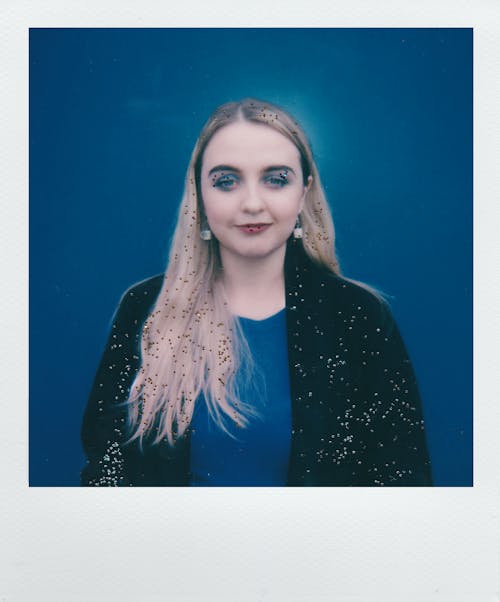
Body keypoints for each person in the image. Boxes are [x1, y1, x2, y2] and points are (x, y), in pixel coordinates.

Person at [80, 98, 433, 487]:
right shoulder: (146, 308)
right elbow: (106, 471)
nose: (252, 203)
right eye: (226, 181)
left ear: (303, 193)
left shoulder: (358, 316)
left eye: (276, 179)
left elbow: (403, 479)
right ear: (199, 192)